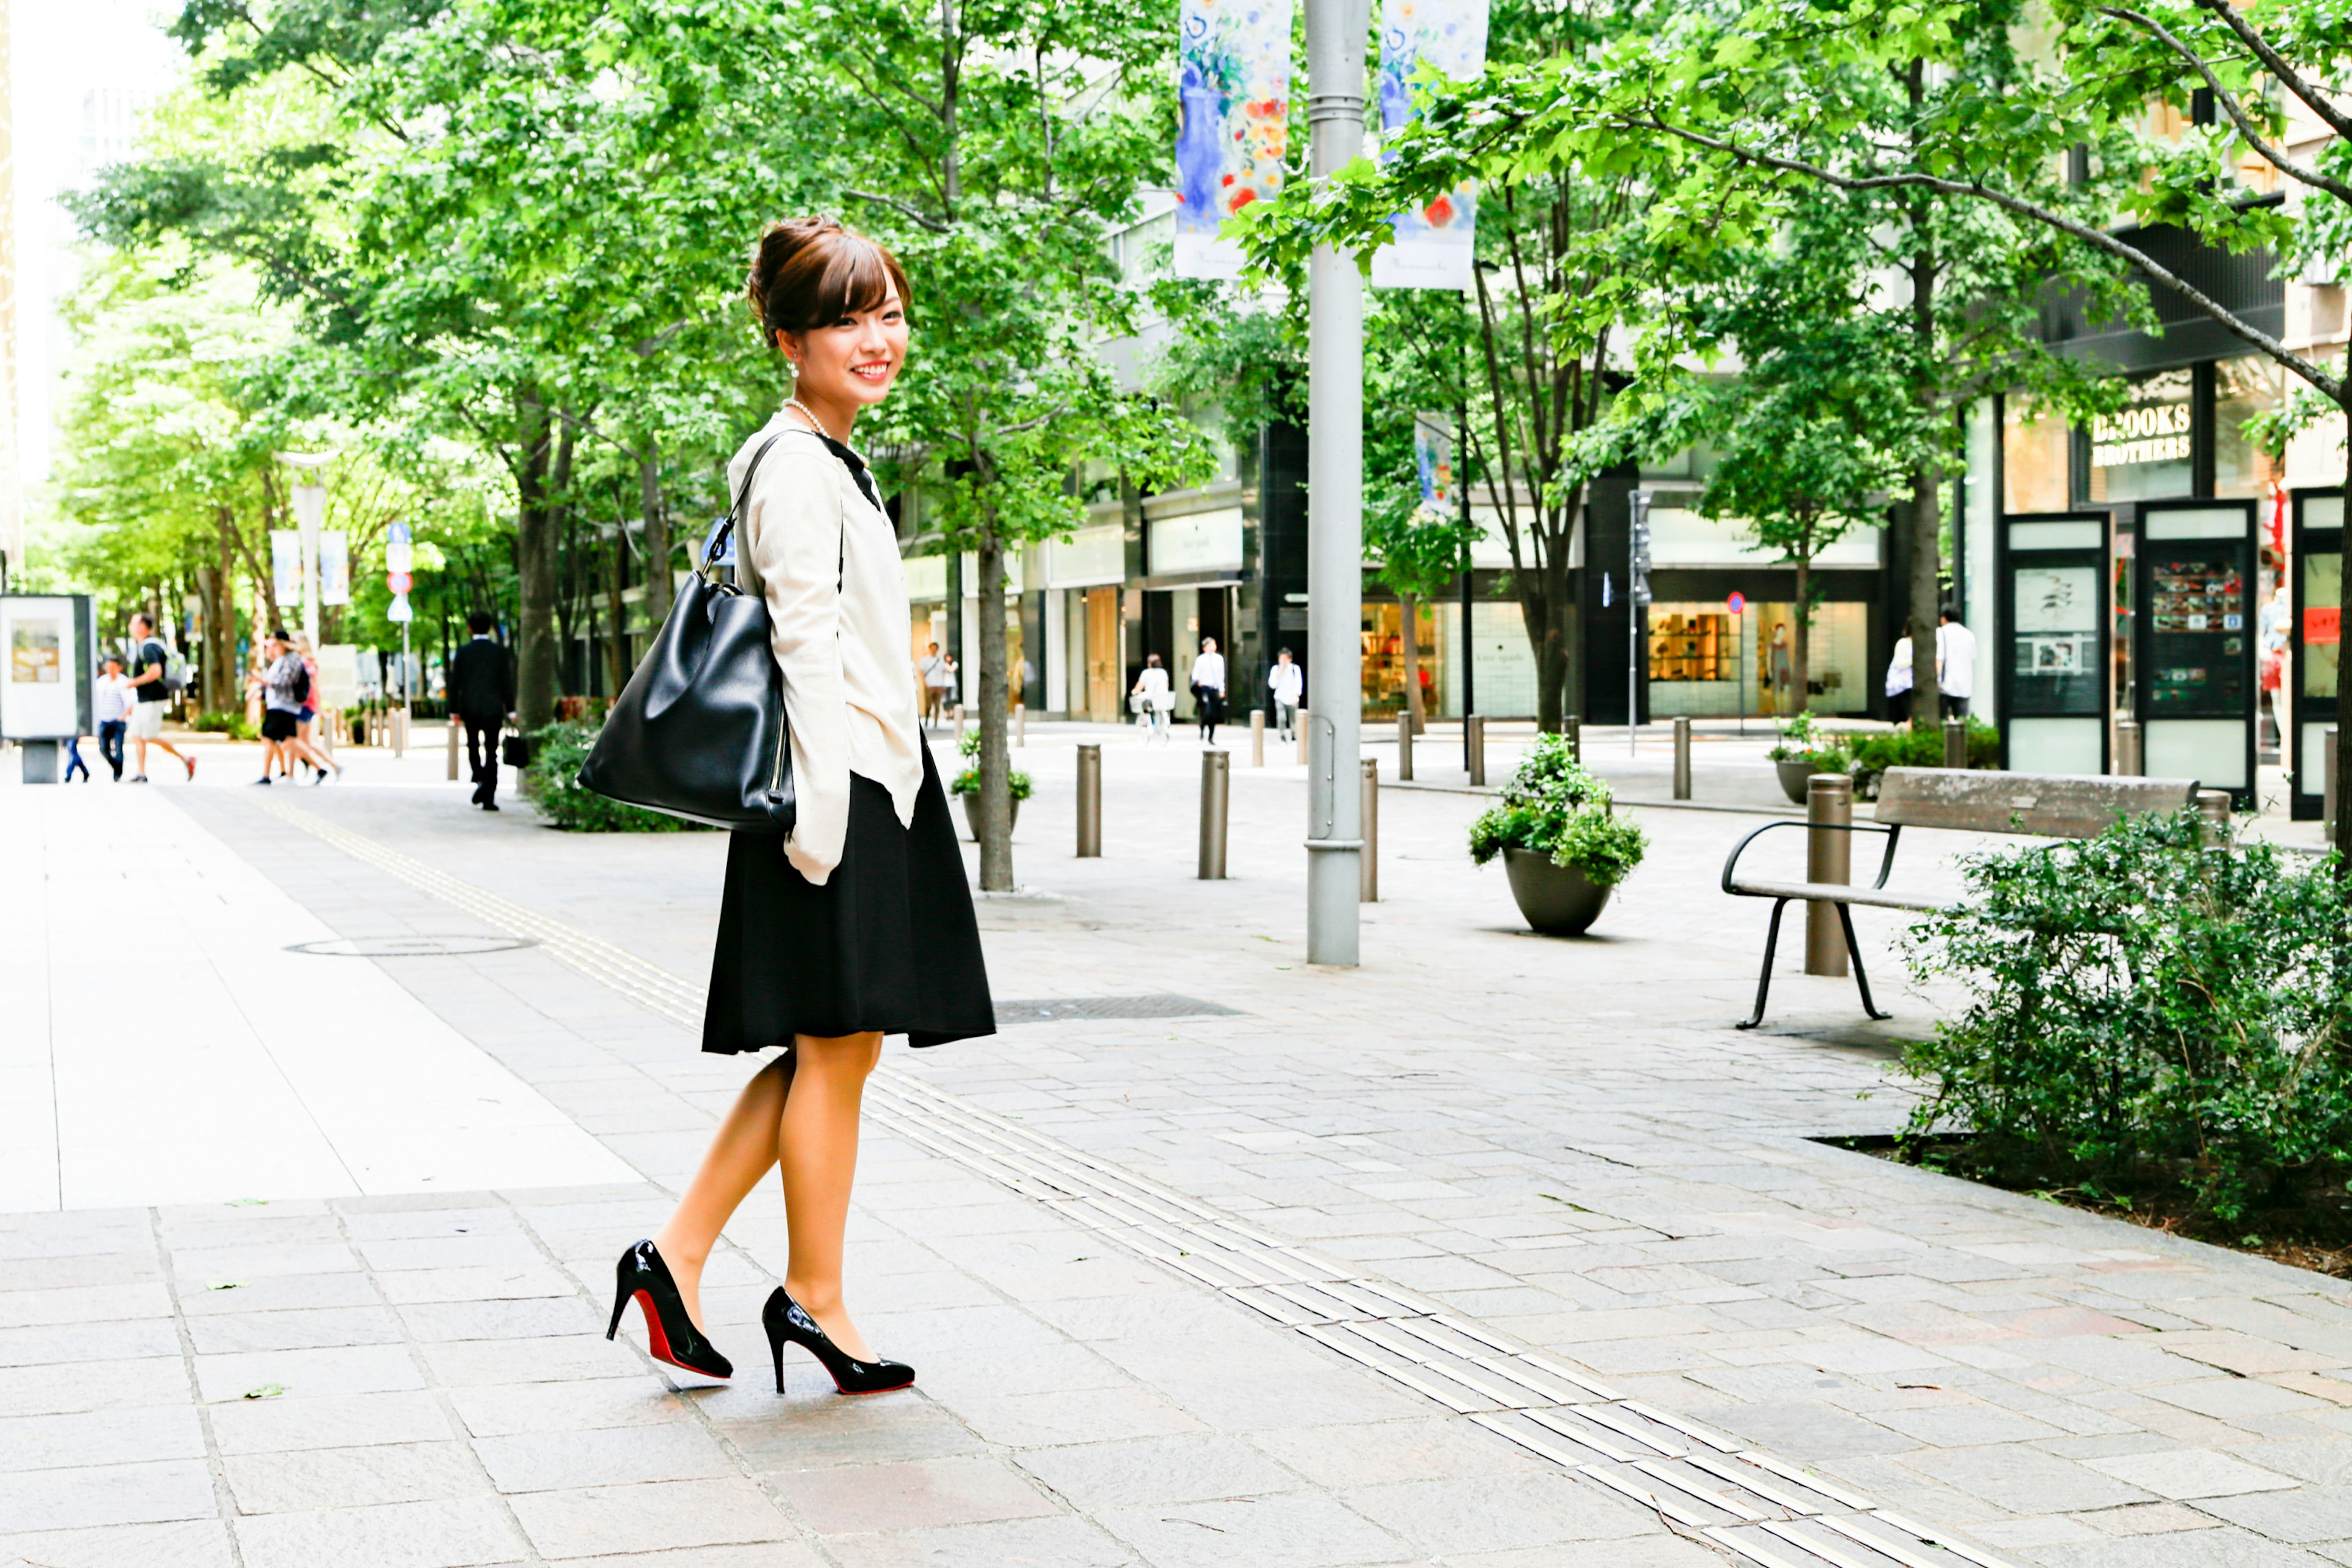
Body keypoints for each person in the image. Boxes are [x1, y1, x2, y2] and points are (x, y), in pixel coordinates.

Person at [610, 217, 993, 1396]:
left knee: (838, 1047)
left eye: (888, 312)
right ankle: (811, 1298)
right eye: (846, 318)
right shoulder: (790, 466)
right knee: (835, 1048)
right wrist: (823, 822)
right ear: (788, 340)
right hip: (832, 798)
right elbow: (804, 647)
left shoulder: (828, 458)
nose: (879, 338)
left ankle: (676, 1258)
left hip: (864, 785)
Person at [249, 629, 340, 785]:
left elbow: (289, 683)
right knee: (291, 740)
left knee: (290, 740)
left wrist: (263, 683)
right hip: (287, 705)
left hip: (292, 706)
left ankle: (292, 772)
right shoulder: (283, 659)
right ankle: (306, 770)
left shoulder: (295, 660)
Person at [447, 611, 516, 811]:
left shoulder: (463, 652)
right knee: (492, 752)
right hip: (494, 709)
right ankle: (488, 797)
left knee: (473, 746)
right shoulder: (499, 652)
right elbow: (506, 684)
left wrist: (454, 710)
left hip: (470, 708)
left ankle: (480, 779)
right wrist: (510, 710)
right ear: (491, 628)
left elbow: (455, 683)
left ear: (469, 629)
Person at [123, 612, 197, 783]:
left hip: (153, 699)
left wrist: (134, 682)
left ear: (143, 626)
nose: (130, 627)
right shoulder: (146, 646)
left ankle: (186, 759)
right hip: (144, 700)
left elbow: (156, 672)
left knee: (148, 736)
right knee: (137, 735)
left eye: (133, 623)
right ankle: (141, 773)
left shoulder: (149, 647)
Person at [93, 652, 134, 781]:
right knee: (103, 748)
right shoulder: (100, 682)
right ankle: (116, 766)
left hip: (118, 720)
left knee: (118, 747)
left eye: (113, 667)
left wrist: (124, 716)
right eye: (108, 666)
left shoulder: (124, 682)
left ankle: (118, 774)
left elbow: (132, 702)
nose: (110, 669)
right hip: (104, 720)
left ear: (119, 667)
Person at [1936, 605, 1977, 722]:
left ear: (1944, 619)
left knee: (1942, 722)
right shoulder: (1969, 634)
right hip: (1964, 685)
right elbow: (1973, 657)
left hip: (1945, 685)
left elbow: (1939, 659)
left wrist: (1936, 680)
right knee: (1961, 723)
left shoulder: (1941, 633)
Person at [1190, 635, 1226, 744]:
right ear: (1204, 647)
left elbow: (1221, 675)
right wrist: (1199, 682)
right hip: (1204, 688)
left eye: (1213, 645)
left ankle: (1211, 737)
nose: (1212, 647)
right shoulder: (1200, 660)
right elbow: (1195, 675)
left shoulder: (1219, 659)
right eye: (1210, 645)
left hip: (1214, 688)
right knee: (1207, 712)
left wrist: (1222, 689)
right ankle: (1202, 731)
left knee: (1214, 714)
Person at [1131, 653, 1172, 742]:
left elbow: (1140, 686)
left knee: (1145, 707)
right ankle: (1165, 724)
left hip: (1151, 699)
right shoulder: (1163, 673)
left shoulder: (1146, 673)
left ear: (1149, 663)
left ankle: (1146, 722)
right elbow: (1167, 685)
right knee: (1163, 710)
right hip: (1163, 699)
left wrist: (1135, 691)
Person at [1268, 647, 1303, 742]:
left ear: (1290, 659)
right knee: (1281, 718)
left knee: (1293, 719)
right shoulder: (1275, 669)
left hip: (1292, 697)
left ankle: (1294, 736)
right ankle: (1282, 736)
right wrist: (1279, 673)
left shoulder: (1295, 669)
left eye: (1285, 659)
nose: (1283, 661)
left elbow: (1298, 683)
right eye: (1281, 659)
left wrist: (1297, 695)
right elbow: (1272, 685)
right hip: (1280, 697)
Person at [917, 641, 951, 729]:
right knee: (928, 705)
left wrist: (943, 684)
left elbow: (943, 672)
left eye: (935, 649)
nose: (934, 650)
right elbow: (922, 672)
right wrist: (925, 683)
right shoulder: (925, 660)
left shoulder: (940, 661)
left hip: (938, 685)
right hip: (929, 685)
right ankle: (927, 720)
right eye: (932, 648)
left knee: (937, 705)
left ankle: (936, 722)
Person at [1884, 633, 1913, 726]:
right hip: (1902, 685)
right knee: (1905, 716)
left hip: (1910, 684)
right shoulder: (1904, 643)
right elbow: (1900, 664)